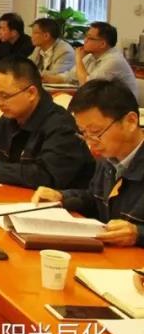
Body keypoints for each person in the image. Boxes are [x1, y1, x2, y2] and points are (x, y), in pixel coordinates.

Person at [0, 57, 93, 189]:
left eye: (4, 96)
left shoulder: (61, 126)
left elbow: (46, 177)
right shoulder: (11, 116)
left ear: (31, 93)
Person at [33, 80, 144, 247]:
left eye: (96, 132)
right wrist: (62, 197)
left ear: (130, 121)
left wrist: (138, 234)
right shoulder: (108, 159)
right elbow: (95, 200)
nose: (90, 143)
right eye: (84, 133)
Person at [48, 22, 140, 101]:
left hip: (122, 106)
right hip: (102, 101)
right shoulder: (91, 56)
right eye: (86, 37)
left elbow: (88, 85)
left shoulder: (114, 60)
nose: (85, 41)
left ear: (102, 44)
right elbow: (70, 76)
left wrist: (78, 59)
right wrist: (45, 78)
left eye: (90, 38)